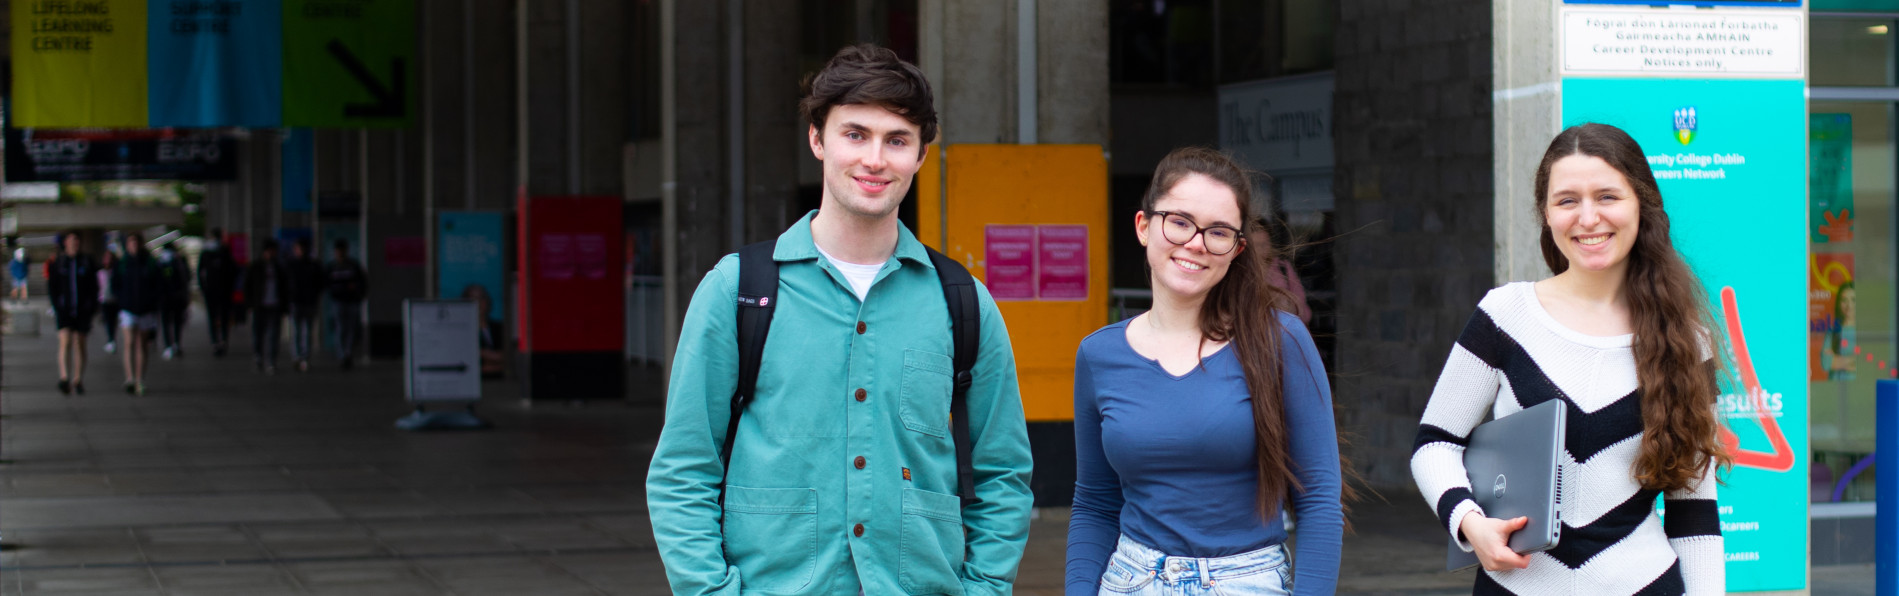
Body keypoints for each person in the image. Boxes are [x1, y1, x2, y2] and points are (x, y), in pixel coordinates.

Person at [646, 44, 1034, 595]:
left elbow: (1002, 476)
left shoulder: (963, 303)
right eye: (855, 134)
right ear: (817, 140)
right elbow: (684, 469)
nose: (875, 160)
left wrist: (984, 588)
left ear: (921, 156)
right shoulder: (739, 291)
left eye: (897, 140)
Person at [1410, 123, 1727, 595]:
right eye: (1567, 200)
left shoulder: (1687, 342)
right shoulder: (1505, 315)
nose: (1588, 218)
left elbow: (1694, 514)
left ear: (1642, 204)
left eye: (1607, 196)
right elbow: (1435, 443)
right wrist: (1468, 521)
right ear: (1546, 213)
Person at [1066, 147, 1344, 596]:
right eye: (1179, 221)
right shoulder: (1099, 354)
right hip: (1130, 581)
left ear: (1237, 249)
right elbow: (1095, 504)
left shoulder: (1281, 340)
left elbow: (1319, 500)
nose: (1195, 242)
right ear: (1144, 226)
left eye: (1217, 232)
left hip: (1248, 582)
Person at [47, 231, 100, 395]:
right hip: (64, 309)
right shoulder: (59, 262)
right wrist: (57, 305)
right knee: (65, 340)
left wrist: (92, 307)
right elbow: (52, 287)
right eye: (71, 241)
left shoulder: (86, 262)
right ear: (65, 243)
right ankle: (64, 377)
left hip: (82, 310)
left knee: (80, 343)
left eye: (76, 241)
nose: (74, 244)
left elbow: (94, 286)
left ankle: (77, 379)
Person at [113, 233, 165, 395]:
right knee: (129, 341)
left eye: (136, 242)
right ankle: (129, 378)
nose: (134, 245)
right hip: (128, 308)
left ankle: (139, 378)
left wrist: (153, 301)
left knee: (141, 344)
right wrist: (121, 301)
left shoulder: (150, 262)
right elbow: (115, 284)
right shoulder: (122, 263)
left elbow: (158, 284)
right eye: (131, 242)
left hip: (146, 309)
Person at [244, 240, 288, 374]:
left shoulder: (278, 267)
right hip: (259, 305)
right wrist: (250, 304)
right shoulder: (256, 266)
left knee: (274, 335)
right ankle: (258, 356)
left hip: (275, 305)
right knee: (258, 333)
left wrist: (284, 306)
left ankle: (271, 361)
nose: (272, 253)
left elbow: (284, 287)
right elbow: (248, 285)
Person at [325, 238, 367, 369]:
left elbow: (362, 282)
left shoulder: (353, 265)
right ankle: (342, 354)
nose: (340, 253)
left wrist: (358, 292)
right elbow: (326, 283)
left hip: (352, 301)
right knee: (340, 328)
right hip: (338, 301)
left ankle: (348, 354)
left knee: (350, 329)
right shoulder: (332, 266)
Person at [197, 228, 240, 357]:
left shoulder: (221, 251)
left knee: (219, 317)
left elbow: (233, 270)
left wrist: (204, 287)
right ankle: (219, 341)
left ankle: (219, 341)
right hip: (216, 291)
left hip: (218, 290)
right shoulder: (211, 252)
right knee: (218, 317)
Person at [286, 238, 326, 372]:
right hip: (296, 301)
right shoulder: (291, 264)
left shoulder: (313, 265)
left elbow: (321, 282)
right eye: (298, 249)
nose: (300, 252)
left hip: (309, 301)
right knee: (297, 331)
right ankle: (297, 357)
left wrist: (314, 294)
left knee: (307, 331)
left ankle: (304, 357)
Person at [460, 284, 506, 378]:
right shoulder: (460, 332)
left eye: (481, 298)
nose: (478, 302)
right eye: (473, 298)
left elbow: (510, 359)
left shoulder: (500, 328)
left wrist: (487, 355)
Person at [157, 244, 192, 360]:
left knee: (175, 322)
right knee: (168, 322)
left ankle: (175, 344)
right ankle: (170, 345)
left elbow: (186, 277)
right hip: (167, 298)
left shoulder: (179, 262)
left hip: (176, 298)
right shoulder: (161, 263)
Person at [98, 250, 120, 354]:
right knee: (108, 321)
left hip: (114, 300)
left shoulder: (116, 271)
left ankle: (112, 339)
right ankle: (110, 340)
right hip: (104, 300)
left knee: (113, 321)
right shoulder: (100, 272)